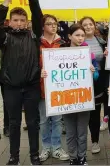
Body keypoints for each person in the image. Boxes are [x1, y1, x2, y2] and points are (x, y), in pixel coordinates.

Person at [0, 0, 43, 165]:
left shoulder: (34, 35)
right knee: (13, 124)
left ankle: (34, 155)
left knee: (32, 123)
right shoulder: (4, 38)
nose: (20, 23)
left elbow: (38, 16)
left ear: (27, 22)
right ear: (10, 22)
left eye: (23, 20)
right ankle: (13, 156)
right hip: (11, 89)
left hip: (31, 87)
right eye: (16, 20)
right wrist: (6, 0)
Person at [41, 24, 97, 165]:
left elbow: (95, 76)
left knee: (82, 132)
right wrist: (44, 73)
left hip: (83, 98)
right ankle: (73, 157)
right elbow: (52, 72)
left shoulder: (88, 54)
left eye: (82, 35)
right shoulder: (59, 53)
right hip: (66, 100)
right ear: (70, 36)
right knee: (71, 132)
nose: (80, 38)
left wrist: (93, 71)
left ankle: (82, 156)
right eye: (77, 35)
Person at [38, 14, 69, 162]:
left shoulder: (63, 43)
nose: (53, 26)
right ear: (43, 26)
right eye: (49, 23)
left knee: (57, 120)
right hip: (42, 89)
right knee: (43, 121)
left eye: (55, 23)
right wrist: (39, 72)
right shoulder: (36, 43)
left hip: (58, 90)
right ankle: (46, 147)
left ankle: (56, 147)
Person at [79, 16, 108, 154]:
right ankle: (88, 141)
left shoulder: (102, 41)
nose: (88, 27)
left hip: (100, 80)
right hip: (83, 82)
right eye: (85, 25)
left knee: (98, 111)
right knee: (89, 114)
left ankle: (96, 139)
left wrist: (108, 54)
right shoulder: (77, 42)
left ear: (94, 26)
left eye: (91, 24)